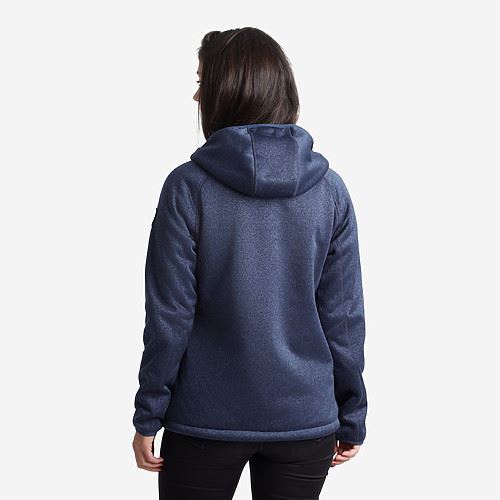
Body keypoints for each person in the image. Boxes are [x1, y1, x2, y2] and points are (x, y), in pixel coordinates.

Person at [132, 27, 368, 500]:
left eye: (202, 81)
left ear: (228, 90)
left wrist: (149, 414)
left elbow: (169, 317)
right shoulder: (329, 190)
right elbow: (343, 316)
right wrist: (351, 412)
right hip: (304, 420)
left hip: (204, 421)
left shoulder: (187, 187)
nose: (196, 95)